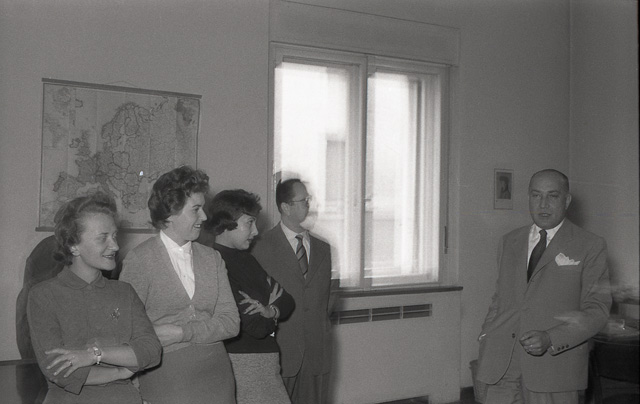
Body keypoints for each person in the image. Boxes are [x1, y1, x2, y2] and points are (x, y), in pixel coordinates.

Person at [476, 169, 612, 404]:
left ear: (566, 200)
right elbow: (500, 299)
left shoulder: (590, 245)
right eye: (536, 195)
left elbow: (597, 310)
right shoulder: (509, 241)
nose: (543, 204)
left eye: (552, 196)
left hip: (553, 370)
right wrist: (485, 339)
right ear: (528, 197)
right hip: (501, 367)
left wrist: (551, 338)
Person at [120, 166, 240, 404]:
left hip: (217, 375)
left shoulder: (212, 258)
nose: (204, 217)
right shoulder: (139, 260)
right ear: (171, 213)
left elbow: (231, 323)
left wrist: (181, 332)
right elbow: (127, 329)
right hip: (167, 378)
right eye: (196, 209)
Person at [27, 193, 161, 404]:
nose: (115, 246)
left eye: (114, 236)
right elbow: (59, 371)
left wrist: (95, 355)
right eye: (103, 237)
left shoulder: (124, 292)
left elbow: (151, 351)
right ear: (73, 246)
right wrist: (119, 371)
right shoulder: (43, 295)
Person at [252, 178, 337, 404]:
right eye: (303, 201)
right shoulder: (260, 246)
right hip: (281, 348)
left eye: (309, 200)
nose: (309, 205)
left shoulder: (323, 248)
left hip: (316, 349)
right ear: (285, 207)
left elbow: (330, 295)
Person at [206, 189, 295, 404]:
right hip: (243, 363)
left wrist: (269, 311)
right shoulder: (214, 262)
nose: (255, 231)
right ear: (227, 223)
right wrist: (272, 314)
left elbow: (288, 301)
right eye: (249, 223)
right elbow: (256, 327)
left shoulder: (247, 260)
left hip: (266, 361)